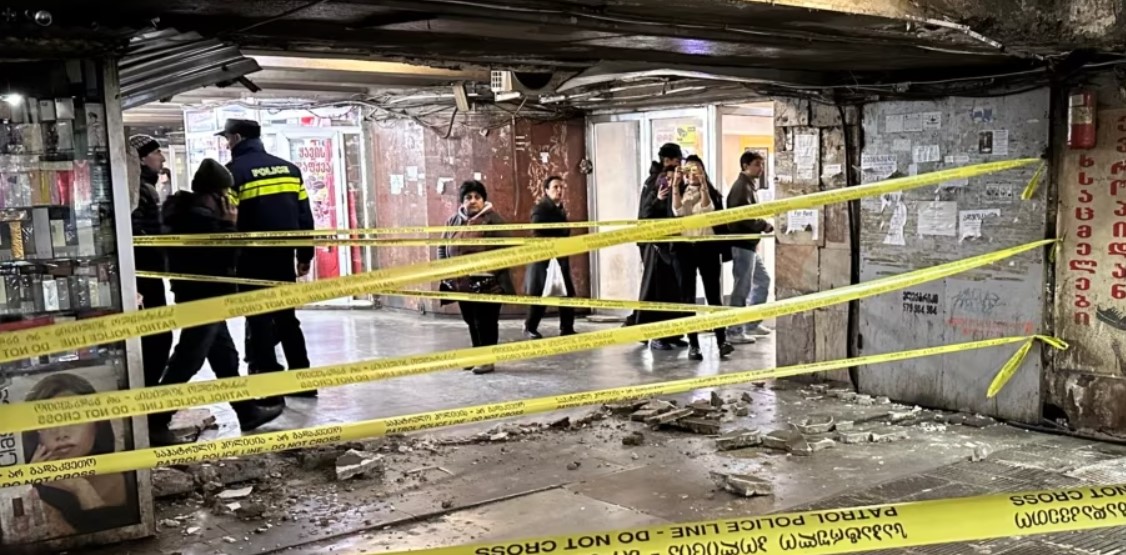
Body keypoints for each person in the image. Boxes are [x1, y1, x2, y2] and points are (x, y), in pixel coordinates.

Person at [151, 159, 285, 446]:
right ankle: (156, 419)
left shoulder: (185, 212)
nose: (228, 201)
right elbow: (223, 258)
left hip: (201, 295)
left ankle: (246, 411)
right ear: (214, 195)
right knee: (188, 360)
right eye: (224, 195)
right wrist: (228, 225)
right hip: (203, 297)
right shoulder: (199, 220)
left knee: (225, 358)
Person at [219, 118, 316, 404]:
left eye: (227, 138)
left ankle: (270, 387)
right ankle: (303, 381)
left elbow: (228, 221)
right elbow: (304, 216)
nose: (227, 144)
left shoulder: (233, 173)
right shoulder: (289, 169)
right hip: (283, 257)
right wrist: (305, 255)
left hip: (250, 259)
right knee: (287, 319)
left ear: (237, 138)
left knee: (259, 320)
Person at [21, 373, 140, 537]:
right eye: (47, 422)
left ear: (96, 424)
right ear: (35, 433)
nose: (61, 434)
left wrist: (81, 488)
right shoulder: (33, 493)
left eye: (74, 418)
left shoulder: (134, 474)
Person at [436, 180, 515, 374]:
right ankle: (477, 354)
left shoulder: (494, 221)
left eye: (477, 197)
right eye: (468, 197)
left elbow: (507, 251)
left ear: (483, 200)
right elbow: (442, 247)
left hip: (488, 284)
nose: (473, 201)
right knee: (471, 320)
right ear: (462, 201)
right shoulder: (453, 221)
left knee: (485, 322)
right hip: (462, 283)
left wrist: (490, 274)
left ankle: (487, 360)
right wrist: (446, 271)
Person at [671, 156, 735, 361]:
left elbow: (707, 209)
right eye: (688, 170)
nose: (692, 174)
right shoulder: (680, 192)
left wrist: (704, 185)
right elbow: (678, 211)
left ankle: (722, 340)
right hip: (685, 249)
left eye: (696, 169)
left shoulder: (713, 194)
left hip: (708, 248)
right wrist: (675, 185)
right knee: (688, 297)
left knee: (713, 295)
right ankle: (693, 344)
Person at [631, 143, 689, 351]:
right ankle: (653, 334)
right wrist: (658, 199)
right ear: (666, 160)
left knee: (674, 290)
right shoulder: (655, 181)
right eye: (675, 160)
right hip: (656, 245)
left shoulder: (678, 181)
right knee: (656, 290)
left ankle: (672, 333)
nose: (677, 165)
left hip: (673, 245)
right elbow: (646, 214)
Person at [128, 134, 173, 390]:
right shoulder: (139, 190)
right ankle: (150, 390)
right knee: (158, 335)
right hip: (144, 274)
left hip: (148, 271)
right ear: (143, 159)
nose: (162, 158)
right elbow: (137, 233)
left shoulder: (146, 187)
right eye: (157, 153)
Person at [726, 151, 775, 344]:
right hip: (742, 244)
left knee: (762, 280)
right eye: (757, 164)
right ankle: (734, 330)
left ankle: (751, 323)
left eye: (762, 164)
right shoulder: (741, 187)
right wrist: (763, 225)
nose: (760, 168)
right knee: (742, 287)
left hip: (749, 244)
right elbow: (742, 216)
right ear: (745, 166)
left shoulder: (748, 186)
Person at [523, 176, 577, 339]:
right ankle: (530, 327)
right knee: (540, 293)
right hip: (544, 259)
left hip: (560, 258)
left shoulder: (560, 208)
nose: (559, 190)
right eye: (555, 187)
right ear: (546, 190)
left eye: (561, 187)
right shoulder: (540, 208)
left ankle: (567, 327)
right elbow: (537, 231)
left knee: (567, 293)